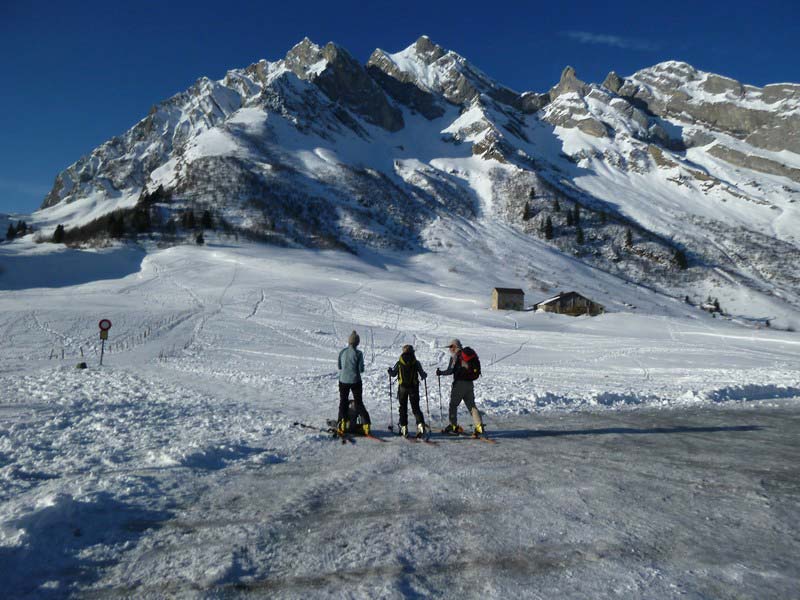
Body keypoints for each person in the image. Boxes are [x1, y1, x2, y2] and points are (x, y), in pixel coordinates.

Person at [436, 339, 485, 436]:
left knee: (453, 405)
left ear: (455, 346)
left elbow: (450, 371)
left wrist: (440, 372)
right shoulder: (467, 355)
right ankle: (479, 426)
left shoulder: (456, 357)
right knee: (472, 405)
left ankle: (453, 426)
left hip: (459, 384)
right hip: (469, 383)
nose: (450, 349)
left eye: (451, 347)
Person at [387, 344, 428, 438]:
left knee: (403, 408)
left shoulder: (399, 362)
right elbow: (422, 375)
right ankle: (421, 428)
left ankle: (404, 429)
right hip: (413, 388)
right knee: (416, 408)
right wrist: (424, 375)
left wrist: (389, 371)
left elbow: (393, 374)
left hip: (402, 388)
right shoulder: (416, 362)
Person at [337, 330, 371, 435]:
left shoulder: (342, 352)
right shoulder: (359, 353)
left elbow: (339, 366)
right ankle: (366, 425)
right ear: (357, 343)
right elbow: (361, 369)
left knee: (343, 401)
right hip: (355, 380)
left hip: (343, 380)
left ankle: (342, 423)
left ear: (349, 341)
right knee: (358, 402)